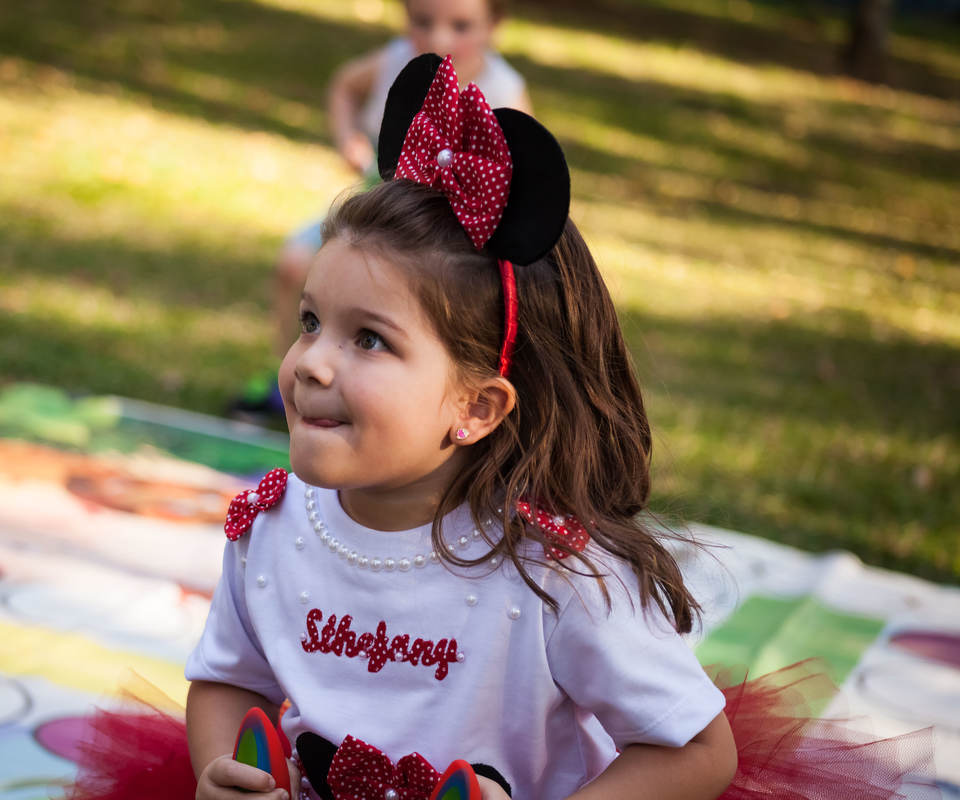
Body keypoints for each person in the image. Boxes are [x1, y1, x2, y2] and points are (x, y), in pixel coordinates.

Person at [65, 56, 933, 800]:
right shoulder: (272, 526)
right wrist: (223, 765)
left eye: (369, 339)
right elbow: (228, 680)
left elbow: (698, 751)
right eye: (309, 322)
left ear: (475, 407)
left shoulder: (557, 573)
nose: (312, 364)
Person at [231, 0, 531, 421]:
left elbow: (518, 165)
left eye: (461, 25)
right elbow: (344, 85)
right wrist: (347, 137)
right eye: (423, 21)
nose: (439, 38)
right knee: (294, 264)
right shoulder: (395, 60)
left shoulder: (502, 87)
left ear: (495, 24)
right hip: (375, 204)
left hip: (444, 229)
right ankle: (285, 380)